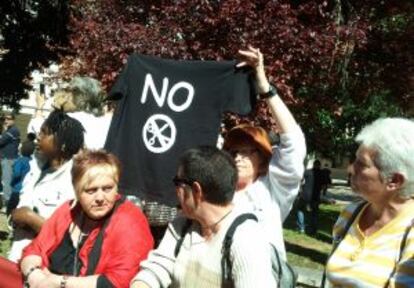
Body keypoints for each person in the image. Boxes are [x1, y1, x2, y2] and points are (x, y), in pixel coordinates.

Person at [130, 146, 275, 287]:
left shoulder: (247, 239)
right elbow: (158, 267)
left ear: (196, 190)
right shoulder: (182, 224)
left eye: (177, 182)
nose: (175, 191)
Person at [18, 149, 153, 288]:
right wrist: (34, 275)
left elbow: (119, 281)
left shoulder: (130, 221)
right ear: (76, 190)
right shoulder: (68, 211)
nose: (100, 198)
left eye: (107, 188)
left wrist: (59, 282)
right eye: (91, 190)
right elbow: (34, 250)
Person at [223, 46, 306, 259]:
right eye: (233, 152)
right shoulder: (217, 188)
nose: (238, 157)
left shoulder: (273, 190)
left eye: (246, 151)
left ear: (262, 159)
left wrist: (265, 88)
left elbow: (293, 142)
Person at [325, 118, 414, 287]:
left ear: (394, 180)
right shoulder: (351, 213)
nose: (350, 169)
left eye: (362, 164)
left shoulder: (411, 231)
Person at [8, 110, 85, 262]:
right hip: (17, 255)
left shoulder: (74, 181)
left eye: (44, 133)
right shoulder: (35, 169)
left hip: (43, 267)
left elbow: (68, 235)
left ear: (62, 144)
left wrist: (30, 218)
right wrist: (15, 217)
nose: (38, 137)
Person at [28, 76, 110, 149]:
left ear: (78, 95)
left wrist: (39, 106)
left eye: (67, 91)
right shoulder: (107, 122)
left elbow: (35, 136)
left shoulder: (70, 120)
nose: (63, 95)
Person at [6, 140, 35, 215]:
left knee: (10, 208)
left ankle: (10, 220)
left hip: (17, 189)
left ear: (22, 150)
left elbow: (17, 173)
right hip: (28, 189)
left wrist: (12, 181)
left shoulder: (20, 161)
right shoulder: (32, 161)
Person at [296, 159, 324, 234]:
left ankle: (301, 228)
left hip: (305, 194)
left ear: (313, 164)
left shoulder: (307, 171)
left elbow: (300, 179)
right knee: (314, 213)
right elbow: (324, 185)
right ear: (320, 166)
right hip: (315, 196)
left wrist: (301, 187)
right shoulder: (322, 173)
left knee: (300, 209)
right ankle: (313, 229)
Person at [0, 112, 21, 209]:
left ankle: (7, 205)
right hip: (7, 158)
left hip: (9, 159)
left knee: (7, 182)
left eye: (8, 119)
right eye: (4, 119)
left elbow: (1, 141)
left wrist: (4, 131)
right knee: (7, 181)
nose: (6, 121)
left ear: (13, 120)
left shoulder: (13, 130)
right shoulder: (10, 130)